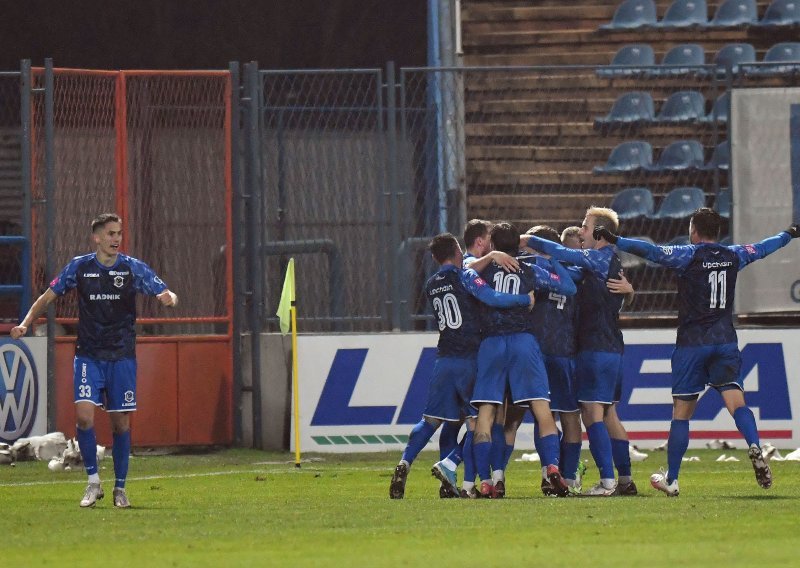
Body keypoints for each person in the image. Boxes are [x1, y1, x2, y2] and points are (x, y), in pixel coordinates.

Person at [594, 208, 799, 496]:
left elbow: (651, 251)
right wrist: (789, 233)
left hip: (692, 345)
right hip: (725, 342)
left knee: (681, 414)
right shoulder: (734, 254)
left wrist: (617, 239)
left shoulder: (687, 254)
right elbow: (766, 247)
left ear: (694, 230)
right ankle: (754, 444)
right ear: (718, 233)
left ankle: (673, 479)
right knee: (737, 403)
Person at [10, 213, 178, 508]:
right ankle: (92, 482)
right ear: (97, 238)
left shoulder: (131, 268)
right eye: (111, 234)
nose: (117, 239)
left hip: (121, 356)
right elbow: (46, 297)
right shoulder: (80, 267)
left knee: (121, 425)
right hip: (88, 355)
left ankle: (121, 488)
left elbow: (166, 292)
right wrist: (25, 324)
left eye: (119, 233)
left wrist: (170, 297)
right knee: (84, 417)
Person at [389, 232, 535, 499]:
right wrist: (525, 300)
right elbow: (490, 297)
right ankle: (461, 477)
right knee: (477, 423)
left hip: (444, 358)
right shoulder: (466, 277)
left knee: (431, 420)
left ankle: (404, 462)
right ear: (458, 252)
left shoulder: (432, 284)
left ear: (435, 258)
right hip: (469, 358)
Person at [524, 207, 636, 496]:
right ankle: (625, 480)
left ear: (599, 233)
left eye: (585, 227)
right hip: (613, 347)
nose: (582, 232)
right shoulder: (610, 264)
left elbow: (570, 259)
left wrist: (530, 242)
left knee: (592, 414)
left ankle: (607, 482)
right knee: (609, 414)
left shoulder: (596, 260)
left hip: (595, 348)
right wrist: (631, 292)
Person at [471, 222, 577, 498]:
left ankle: (489, 480)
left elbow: (462, 274)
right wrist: (554, 258)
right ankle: (552, 467)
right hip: (523, 342)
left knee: (489, 414)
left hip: (492, 342)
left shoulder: (483, 270)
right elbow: (567, 286)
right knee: (542, 408)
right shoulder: (531, 271)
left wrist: (488, 259)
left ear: (492, 244)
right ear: (518, 245)